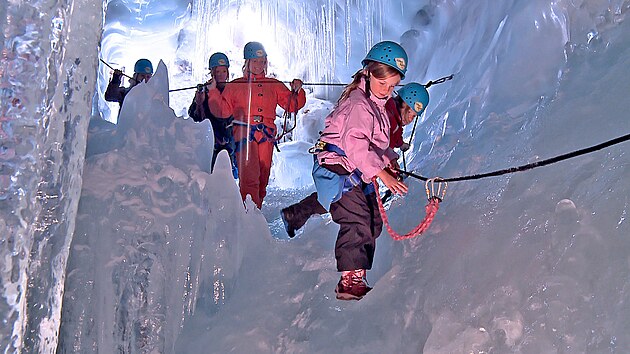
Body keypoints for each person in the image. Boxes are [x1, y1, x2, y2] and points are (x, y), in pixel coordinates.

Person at [307, 41, 417, 300]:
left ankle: (359, 273)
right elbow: (356, 146)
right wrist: (383, 173)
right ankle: (349, 280)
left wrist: (390, 160)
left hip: (355, 168)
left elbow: (377, 144)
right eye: (383, 85)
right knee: (357, 220)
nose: (388, 92)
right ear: (368, 74)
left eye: (392, 87)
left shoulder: (377, 106)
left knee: (373, 222)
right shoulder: (359, 104)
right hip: (338, 167)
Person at [280, 82, 430, 238]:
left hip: (353, 163)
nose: (411, 120)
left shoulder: (391, 117)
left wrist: (390, 161)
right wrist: (385, 169)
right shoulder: (387, 116)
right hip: (346, 161)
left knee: (335, 197)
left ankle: (294, 215)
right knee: (343, 200)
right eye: (412, 115)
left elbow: (382, 147)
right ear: (405, 105)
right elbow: (371, 145)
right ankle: (294, 215)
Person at [206, 41, 306, 209]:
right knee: (249, 178)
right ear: (247, 62)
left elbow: (292, 105)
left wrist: (297, 90)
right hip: (245, 136)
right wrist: (214, 92)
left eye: (262, 61)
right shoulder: (235, 86)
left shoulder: (273, 84)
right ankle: (248, 215)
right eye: (255, 61)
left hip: (266, 136)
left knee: (262, 178)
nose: (259, 65)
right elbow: (222, 111)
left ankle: (254, 213)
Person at [188, 52, 238, 178]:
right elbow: (194, 115)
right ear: (212, 72)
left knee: (227, 170)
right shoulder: (204, 90)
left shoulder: (232, 90)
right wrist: (199, 101)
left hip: (228, 135)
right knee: (211, 169)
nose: (221, 75)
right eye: (218, 71)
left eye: (223, 71)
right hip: (211, 135)